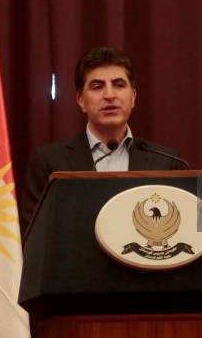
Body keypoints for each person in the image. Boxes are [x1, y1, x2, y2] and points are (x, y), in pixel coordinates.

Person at [20, 47, 187, 233]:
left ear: (133, 98)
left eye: (119, 85)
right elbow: (34, 234)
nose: (109, 95)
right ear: (81, 101)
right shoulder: (49, 162)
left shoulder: (167, 162)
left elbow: (182, 228)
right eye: (97, 86)